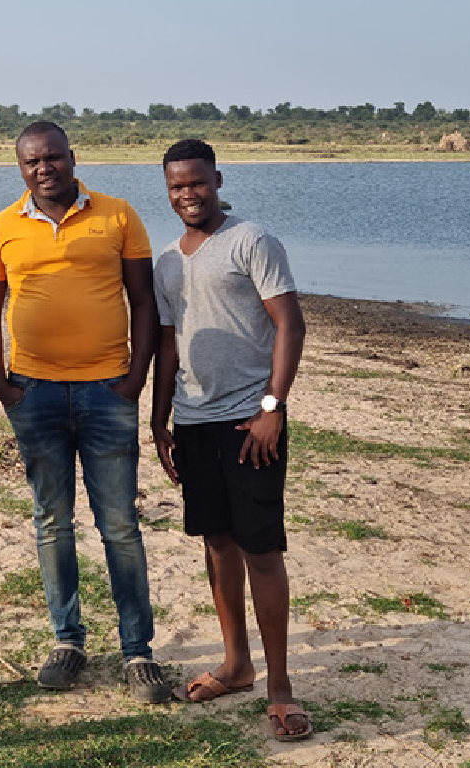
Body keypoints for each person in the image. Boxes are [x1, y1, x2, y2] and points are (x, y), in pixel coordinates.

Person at [0, 121, 171, 703]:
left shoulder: (118, 215)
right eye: (33, 161)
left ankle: (138, 649)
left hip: (106, 391)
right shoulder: (2, 227)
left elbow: (143, 299)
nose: (45, 168)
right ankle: (69, 641)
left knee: (119, 524)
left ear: (71, 158)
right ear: (21, 168)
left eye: (54, 158)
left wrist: (136, 376)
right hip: (33, 393)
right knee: (52, 519)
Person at [150, 139, 312, 741]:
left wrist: (274, 406)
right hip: (193, 423)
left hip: (252, 422)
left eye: (197, 183)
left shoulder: (252, 241)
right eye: (176, 187)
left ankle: (280, 687)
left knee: (261, 549)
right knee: (216, 543)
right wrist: (159, 419)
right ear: (167, 190)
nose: (187, 195)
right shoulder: (166, 259)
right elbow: (169, 344)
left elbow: (289, 323)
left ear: (217, 180)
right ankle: (236, 663)